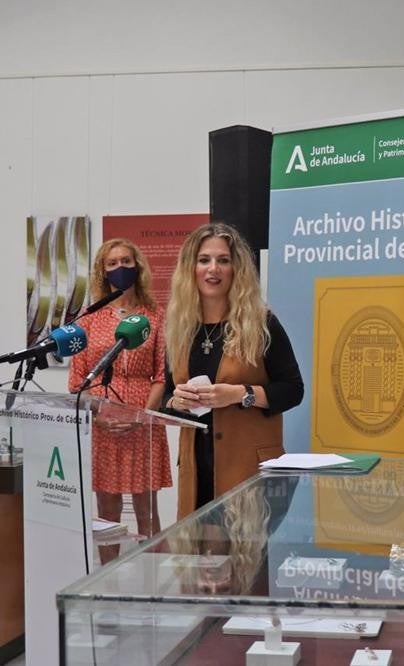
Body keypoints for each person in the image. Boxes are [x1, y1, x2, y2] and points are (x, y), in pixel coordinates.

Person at [162, 223, 304, 519]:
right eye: (204, 260)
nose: (213, 269)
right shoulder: (180, 328)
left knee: (246, 562)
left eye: (223, 260)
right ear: (191, 268)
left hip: (248, 473)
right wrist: (177, 402)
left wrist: (241, 394)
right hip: (196, 471)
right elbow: (167, 396)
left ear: (236, 268)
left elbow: (292, 390)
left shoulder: (262, 324)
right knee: (198, 561)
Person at [68, 238, 171, 562]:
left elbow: (161, 375)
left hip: (144, 421)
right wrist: (102, 418)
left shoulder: (155, 315)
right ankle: (107, 580)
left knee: (147, 508)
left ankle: (153, 580)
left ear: (137, 266)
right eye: (112, 263)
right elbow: (77, 381)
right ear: (102, 271)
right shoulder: (88, 319)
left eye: (126, 261)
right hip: (102, 424)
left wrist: (140, 415)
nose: (120, 268)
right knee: (107, 509)